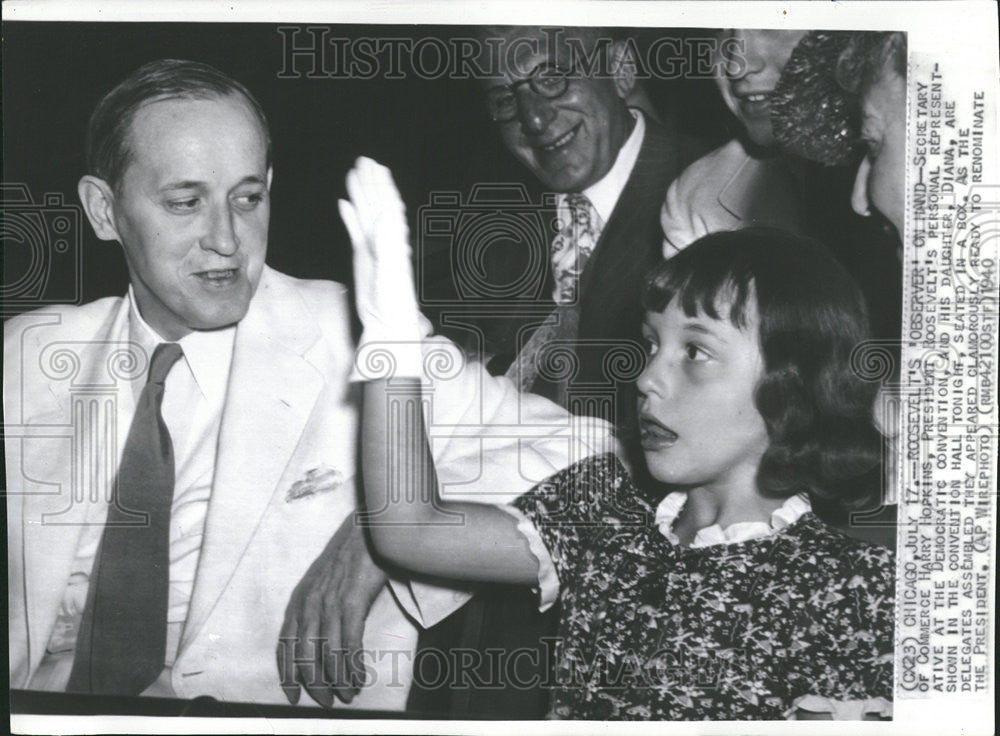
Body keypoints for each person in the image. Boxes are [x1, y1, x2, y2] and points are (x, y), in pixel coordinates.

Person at [6, 59, 605, 711]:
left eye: (247, 198)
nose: (227, 239)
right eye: (185, 202)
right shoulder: (27, 357)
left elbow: (607, 464)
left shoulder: (357, 336)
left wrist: (389, 526)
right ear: (104, 210)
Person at [341, 159, 895, 720]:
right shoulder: (606, 507)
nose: (646, 377)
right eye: (651, 344)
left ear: (791, 387)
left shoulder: (855, 590)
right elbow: (408, 529)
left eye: (696, 353)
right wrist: (393, 339)